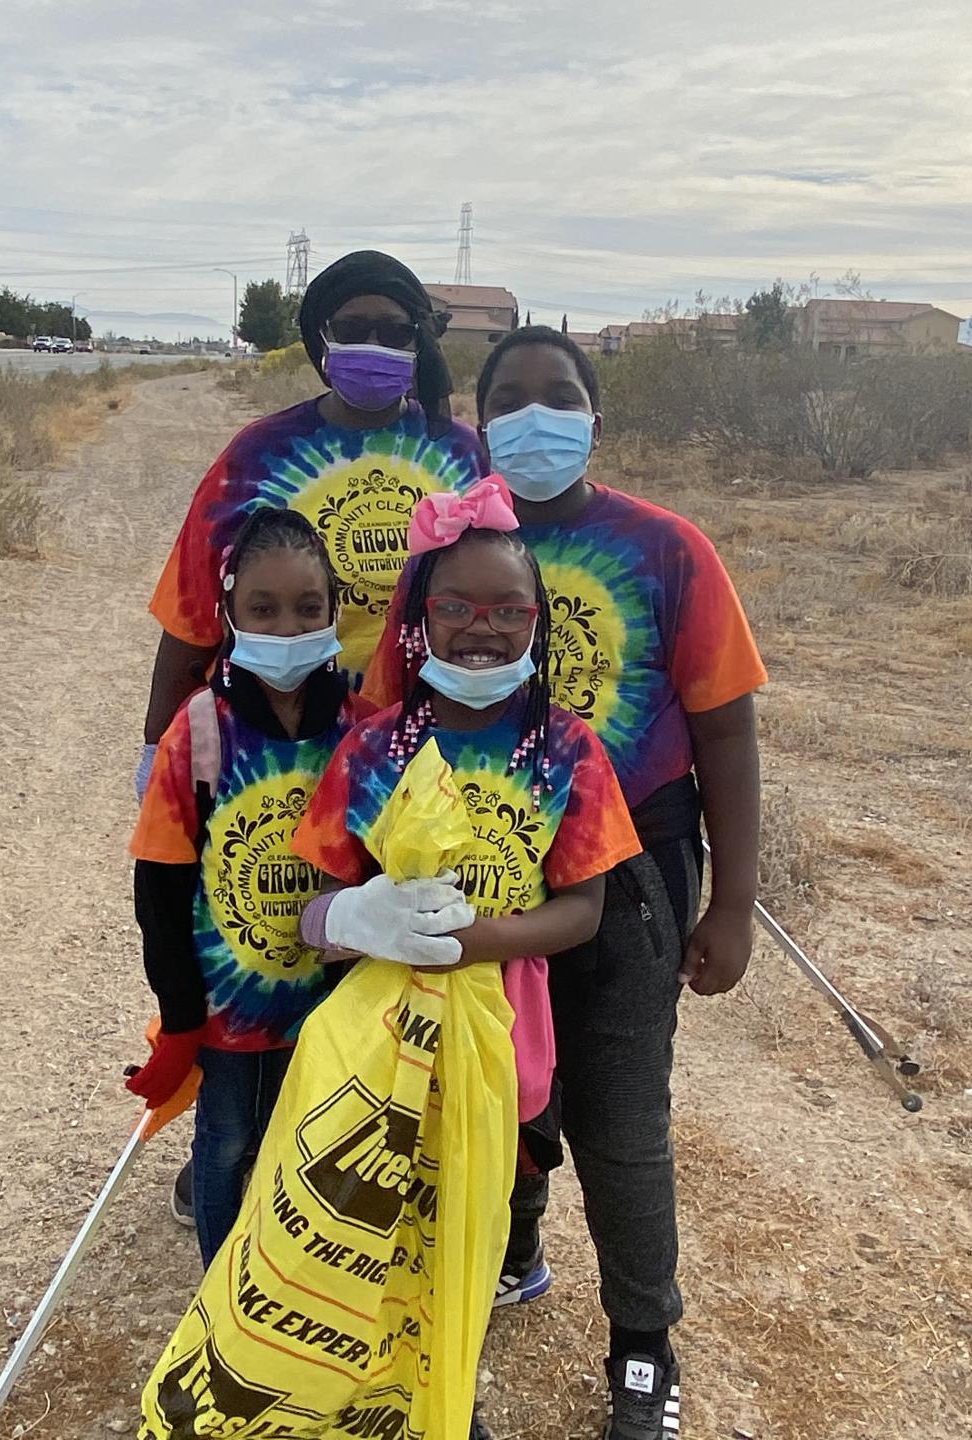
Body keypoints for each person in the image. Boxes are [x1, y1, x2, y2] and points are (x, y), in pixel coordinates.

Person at [364, 327, 767, 1440]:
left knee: (619, 1115)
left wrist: (730, 903)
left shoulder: (666, 548)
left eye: (561, 395)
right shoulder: (439, 561)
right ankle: (517, 1249)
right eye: (510, 397)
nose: (536, 414)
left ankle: (644, 1343)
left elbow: (727, 731)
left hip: (631, 872)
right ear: (478, 419)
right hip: (474, 871)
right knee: (499, 1086)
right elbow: (388, 716)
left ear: (596, 414)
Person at [291, 478, 642, 1440]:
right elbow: (310, 916)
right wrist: (360, 919)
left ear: (537, 621)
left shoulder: (565, 751)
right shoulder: (372, 751)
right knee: (394, 1222)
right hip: (383, 1046)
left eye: (505, 611)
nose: (479, 630)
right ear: (417, 620)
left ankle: (457, 1379)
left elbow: (583, 911)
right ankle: (405, 1389)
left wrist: (477, 941)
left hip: (506, 1035)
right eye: (454, 608)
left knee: (482, 1217)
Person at [125, 508, 408, 1264]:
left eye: (307, 608)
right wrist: (179, 1015)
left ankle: (282, 1277)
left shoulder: (360, 730)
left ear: (334, 612)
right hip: (228, 1011)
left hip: (328, 1004)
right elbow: (158, 883)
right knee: (224, 1142)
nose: (287, 628)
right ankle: (222, 1283)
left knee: (304, 1138)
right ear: (229, 614)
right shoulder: (201, 731)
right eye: (263, 609)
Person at [141, 249, 486, 779]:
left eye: (394, 331)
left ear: (419, 340)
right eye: (352, 327)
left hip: (425, 746)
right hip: (275, 744)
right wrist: (155, 748)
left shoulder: (463, 454)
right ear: (321, 336)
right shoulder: (258, 455)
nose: (373, 345)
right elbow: (191, 614)